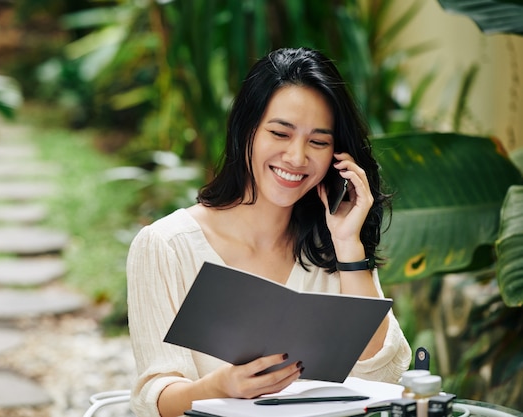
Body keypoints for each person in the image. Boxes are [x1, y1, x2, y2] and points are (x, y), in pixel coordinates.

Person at [126, 47, 412, 417]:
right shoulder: (166, 246)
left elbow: (385, 376)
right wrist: (221, 386)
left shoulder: (332, 247)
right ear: (246, 131)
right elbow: (154, 399)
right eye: (280, 133)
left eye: (319, 142)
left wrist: (348, 245)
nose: (296, 157)